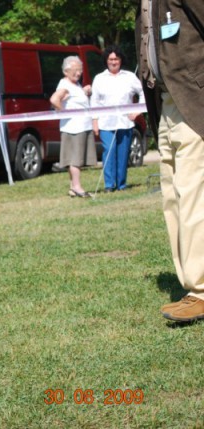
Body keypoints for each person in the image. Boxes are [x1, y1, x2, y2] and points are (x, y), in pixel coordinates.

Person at [137, 1, 204, 321]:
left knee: (194, 195)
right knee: (173, 197)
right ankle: (192, 287)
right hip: (164, 101)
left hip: (194, 101)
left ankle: (202, 290)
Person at [91, 45, 145, 192]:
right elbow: (94, 101)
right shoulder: (99, 78)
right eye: (110, 59)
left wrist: (138, 111)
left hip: (125, 123)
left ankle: (121, 184)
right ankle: (109, 184)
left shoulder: (129, 77)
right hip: (105, 122)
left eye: (116, 59)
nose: (113, 62)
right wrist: (94, 121)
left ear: (120, 60)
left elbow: (142, 93)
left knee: (123, 153)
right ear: (106, 61)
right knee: (109, 150)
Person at [49, 56, 97, 198]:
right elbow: (54, 99)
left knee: (74, 160)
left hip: (80, 127)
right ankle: (77, 186)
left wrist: (85, 91)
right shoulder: (65, 85)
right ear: (66, 71)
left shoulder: (75, 85)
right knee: (75, 160)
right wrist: (62, 111)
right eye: (75, 70)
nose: (79, 73)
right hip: (74, 128)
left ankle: (72, 187)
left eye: (80, 70)